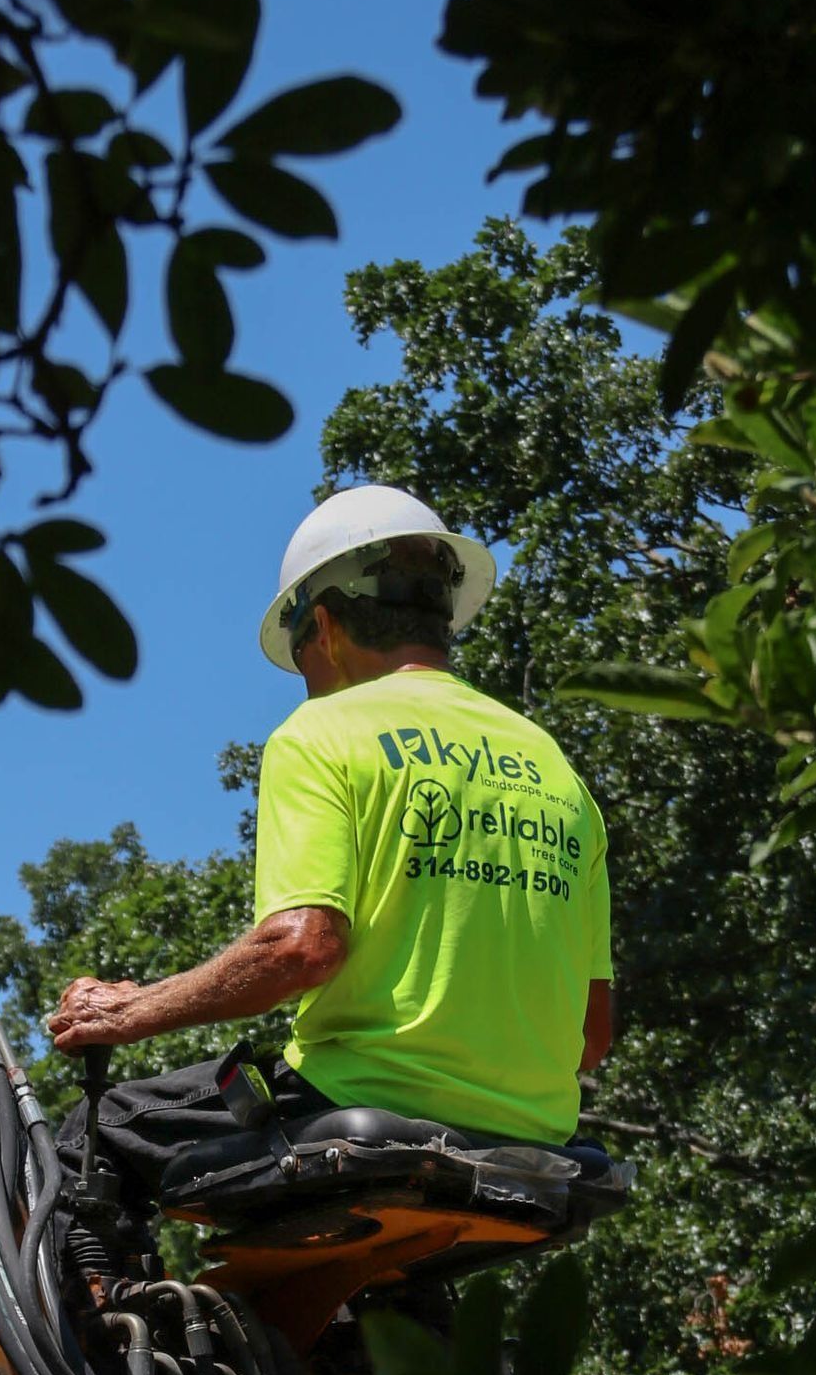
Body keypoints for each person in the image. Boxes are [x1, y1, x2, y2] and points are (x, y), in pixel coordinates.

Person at [46, 485, 614, 1213]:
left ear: (322, 624)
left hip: (362, 1098)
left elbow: (300, 949)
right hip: (537, 1137)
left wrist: (129, 1011)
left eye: (298, 653)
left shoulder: (324, 734)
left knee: (99, 1131)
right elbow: (590, 1037)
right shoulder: (555, 770)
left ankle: (86, 1324)